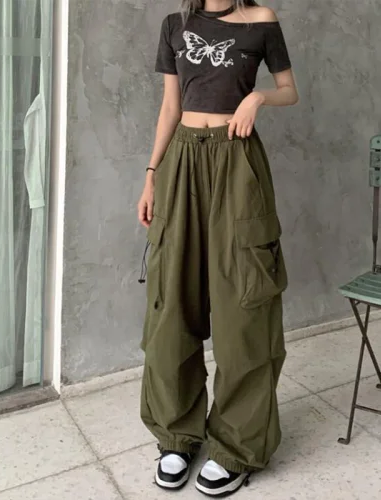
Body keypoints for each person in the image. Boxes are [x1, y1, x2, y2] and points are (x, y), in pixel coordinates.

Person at [137, 0, 298, 496]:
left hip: (238, 161)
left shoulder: (262, 21)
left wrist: (258, 98)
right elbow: (170, 106)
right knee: (172, 302)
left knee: (244, 304)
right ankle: (177, 435)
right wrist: (151, 175)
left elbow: (289, 90)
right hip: (182, 160)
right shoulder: (175, 25)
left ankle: (236, 446)